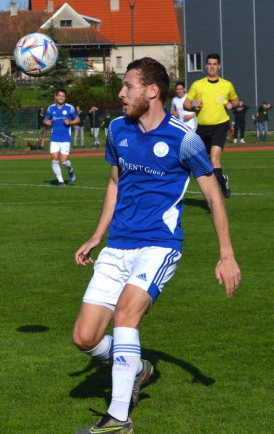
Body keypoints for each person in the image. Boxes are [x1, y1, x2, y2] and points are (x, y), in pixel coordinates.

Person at [72, 57, 240, 434]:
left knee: (126, 316)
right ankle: (138, 367)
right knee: (84, 338)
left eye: (127, 86)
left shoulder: (185, 138)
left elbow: (213, 197)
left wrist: (226, 255)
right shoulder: (117, 130)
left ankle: (118, 419)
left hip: (159, 245)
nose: (121, 93)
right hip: (118, 246)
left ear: (152, 91)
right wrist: (98, 235)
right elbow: (115, 183)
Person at [184, 53, 240, 198]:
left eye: (215, 64)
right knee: (206, 163)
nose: (212, 67)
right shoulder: (198, 84)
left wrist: (231, 105)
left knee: (215, 158)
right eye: (209, 64)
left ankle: (215, 199)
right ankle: (223, 180)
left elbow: (236, 101)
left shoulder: (227, 85)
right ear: (205, 66)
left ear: (219, 66)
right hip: (202, 128)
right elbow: (186, 104)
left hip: (221, 126)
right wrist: (194, 106)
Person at [43, 89, 79, 186]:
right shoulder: (51, 108)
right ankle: (61, 181)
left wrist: (70, 122)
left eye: (63, 96)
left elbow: (77, 119)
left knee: (64, 161)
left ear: (65, 97)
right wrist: (47, 122)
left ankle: (70, 170)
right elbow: (45, 120)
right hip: (54, 137)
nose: (61, 97)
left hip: (66, 138)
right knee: (54, 158)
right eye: (59, 95)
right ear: (56, 97)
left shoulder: (70, 108)